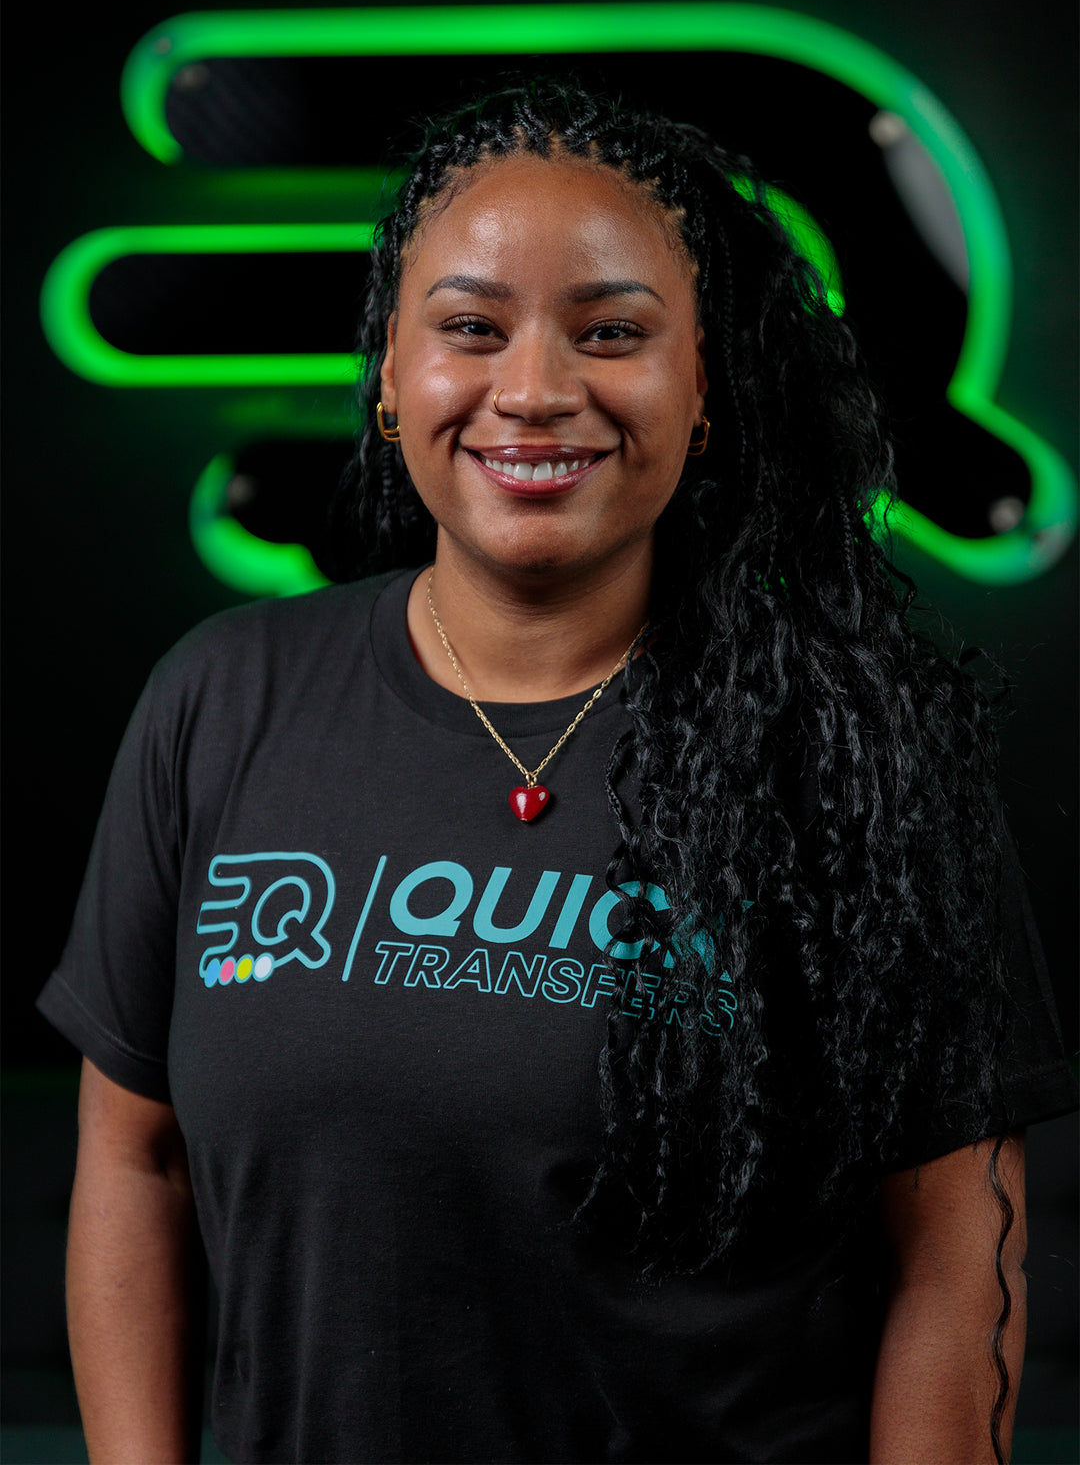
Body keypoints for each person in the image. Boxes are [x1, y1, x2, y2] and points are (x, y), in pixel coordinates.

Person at [39, 78, 1076, 1465]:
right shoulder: (224, 700)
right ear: (392, 368)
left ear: (703, 383)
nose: (532, 390)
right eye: (470, 327)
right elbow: (133, 1158)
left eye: (613, 334)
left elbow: (956, 1259)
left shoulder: (855, 757)